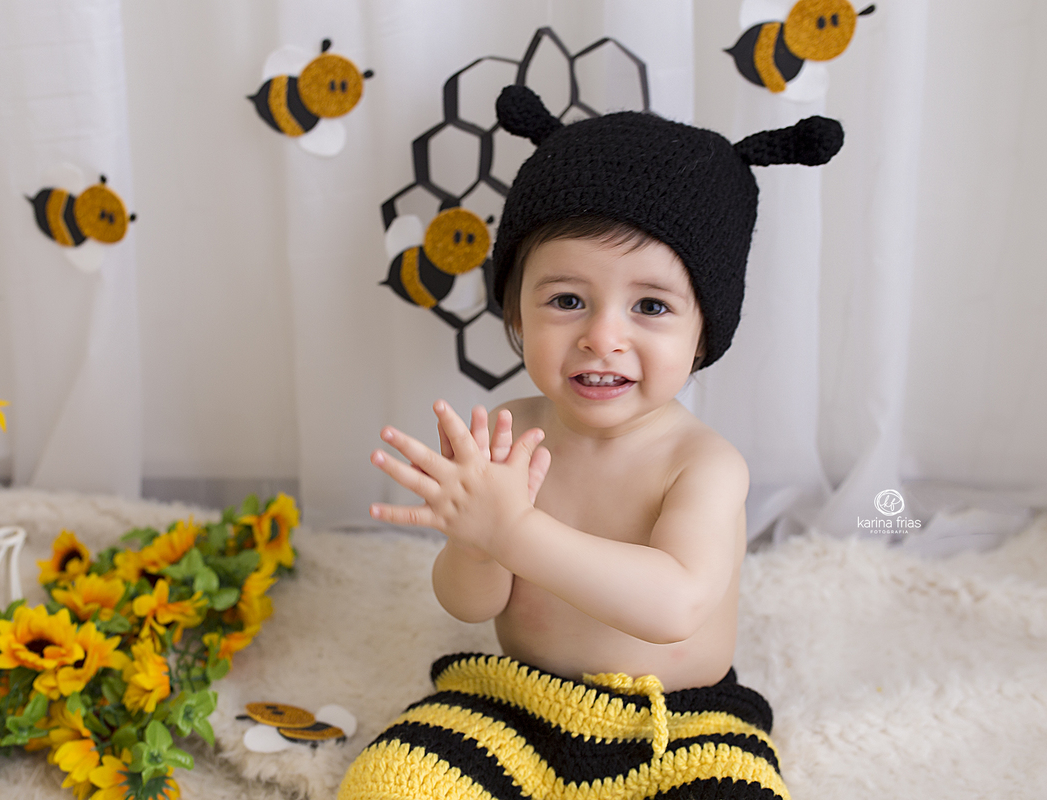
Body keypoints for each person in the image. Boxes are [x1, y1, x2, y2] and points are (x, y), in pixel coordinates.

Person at [339, 85, 843, 800]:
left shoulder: (702, 464)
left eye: (651, 305)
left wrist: (513, 532)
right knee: (392, 783)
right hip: (517, 702)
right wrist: (476, 545)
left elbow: (675, 604)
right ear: (517, 313)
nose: (603, 336)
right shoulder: (510, 433)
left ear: (705, 334)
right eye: (567, 300)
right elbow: (470, 605)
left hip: (676, 723)